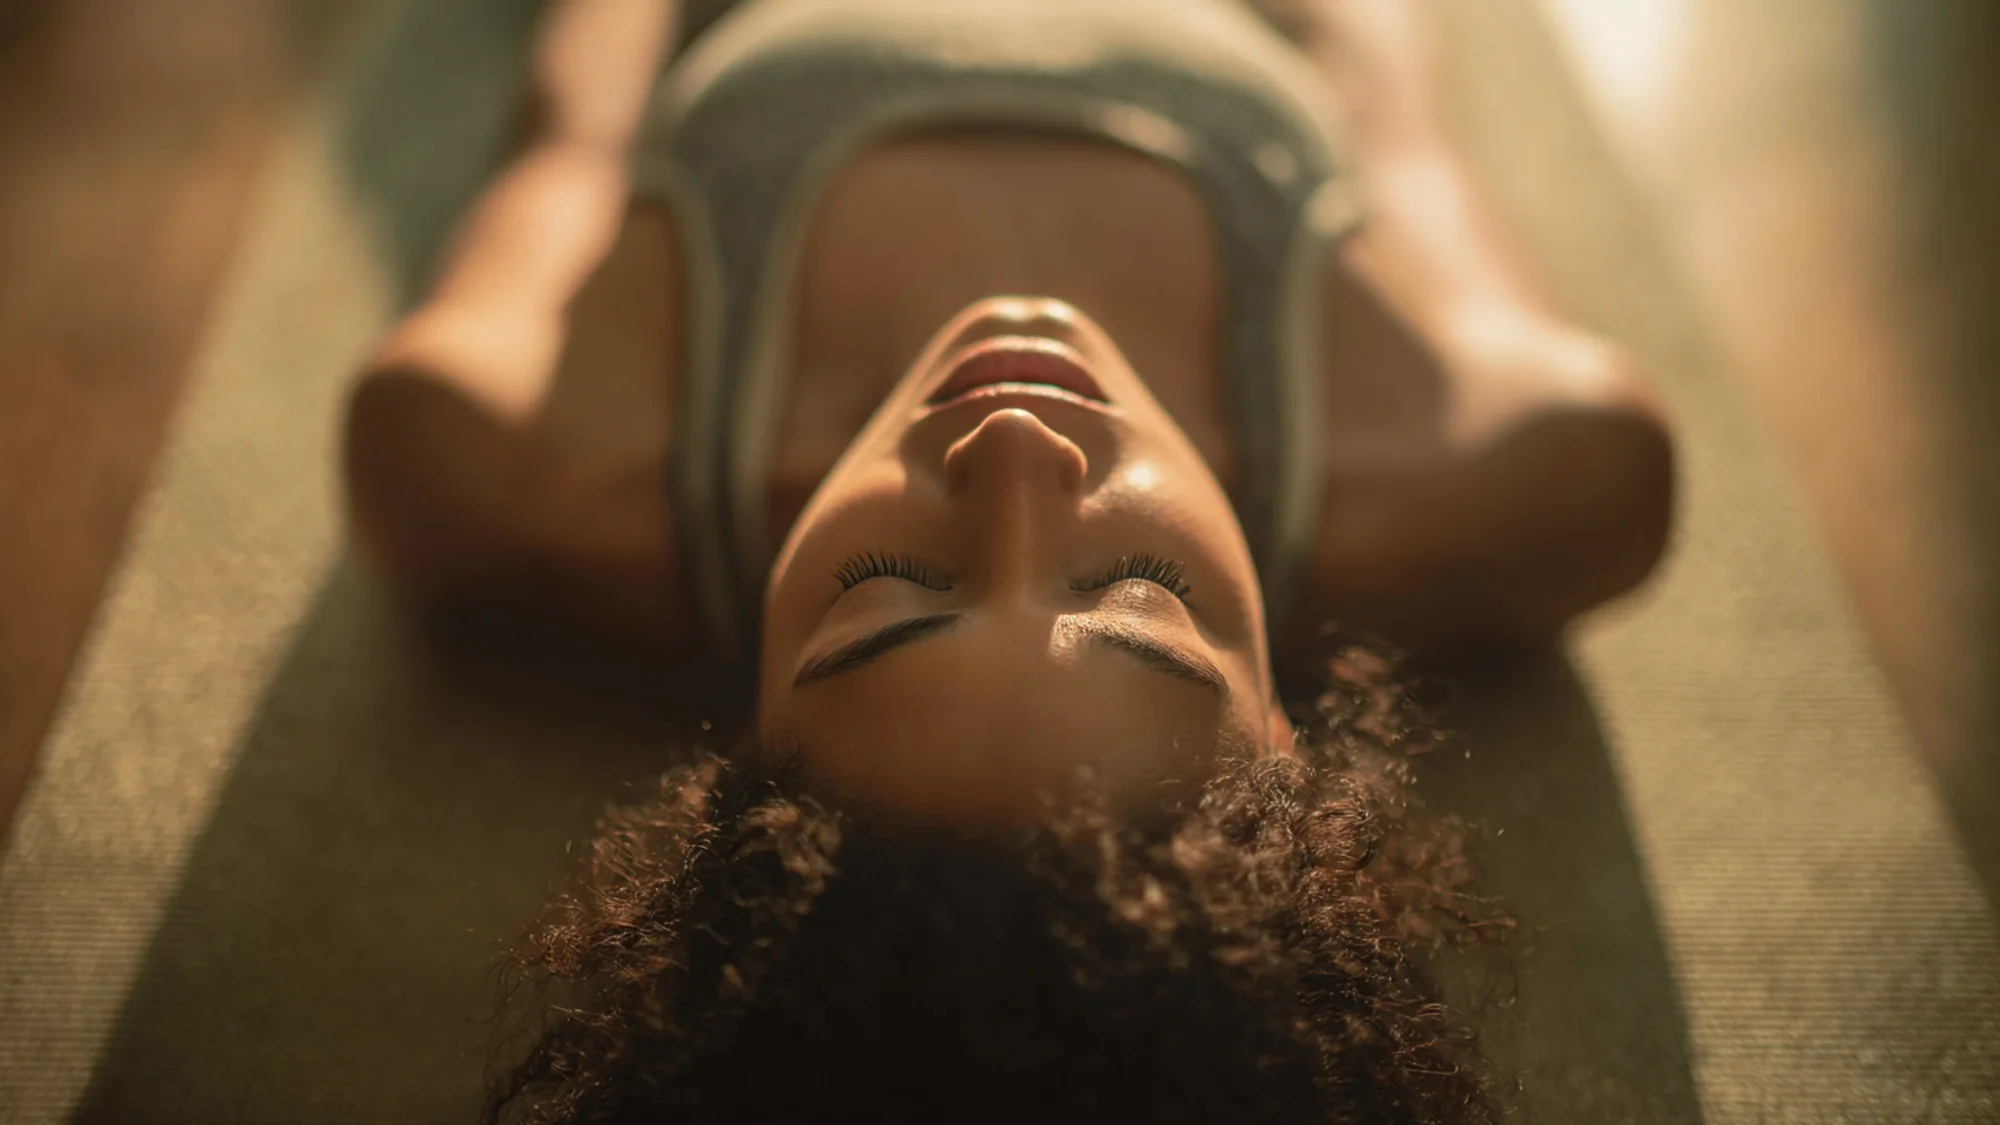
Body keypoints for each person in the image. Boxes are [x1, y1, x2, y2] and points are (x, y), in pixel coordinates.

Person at [340, 0, 1674, 1119]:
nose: (1020, 454)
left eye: (889, 589)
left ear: (736, 743)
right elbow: (1400, 135)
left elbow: (578, 136)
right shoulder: (1527, 469)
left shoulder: (494, 456)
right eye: (1138, 594)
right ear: (1283, 736)